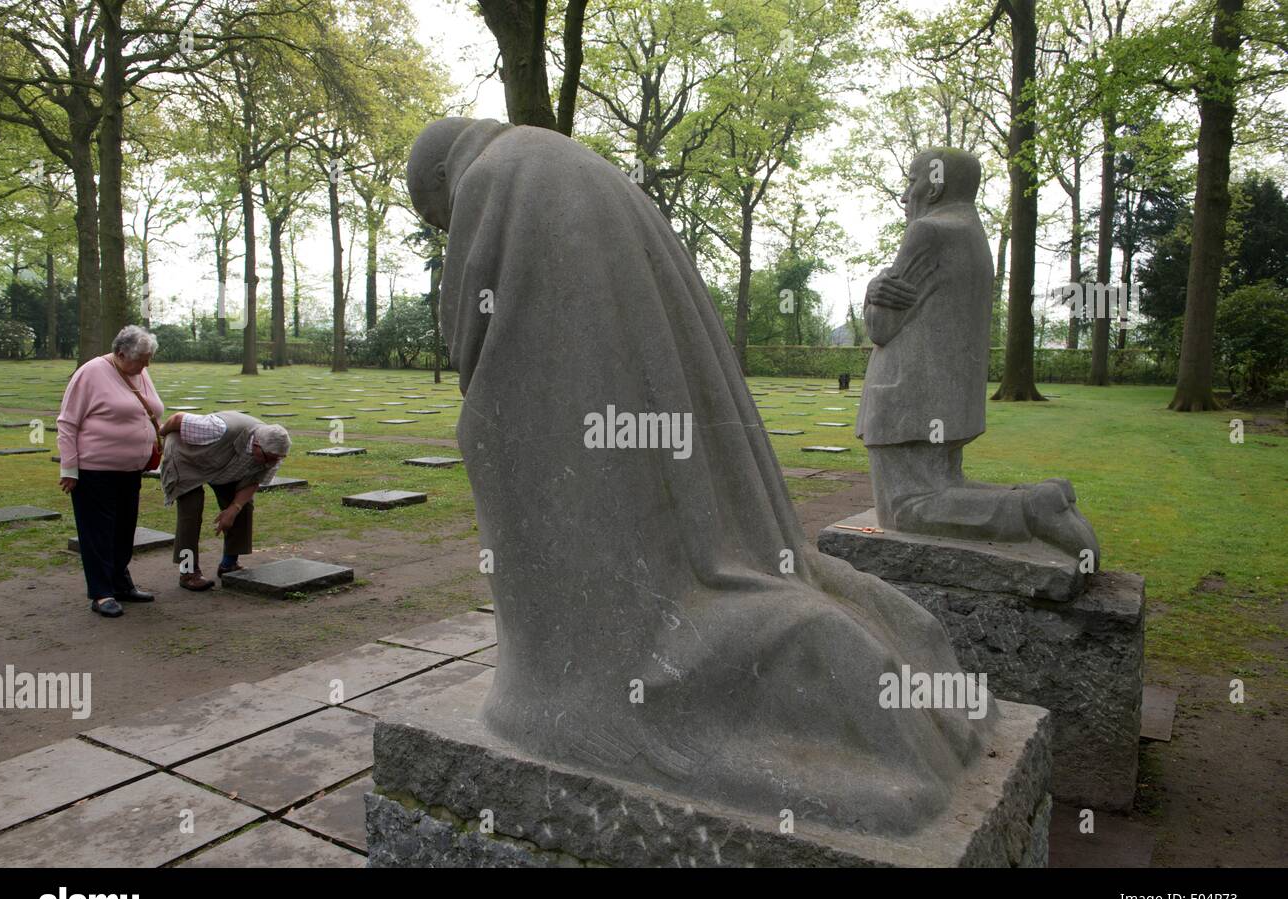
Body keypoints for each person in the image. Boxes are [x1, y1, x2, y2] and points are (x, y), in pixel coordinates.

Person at [403, 117, 993, 835]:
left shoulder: (491, 177)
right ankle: (901, 692)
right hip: (629, 412)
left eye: (440, 219)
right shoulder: (568, 162)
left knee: (642, 645)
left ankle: (601, 688)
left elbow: (470, 333)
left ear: (440, 181)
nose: (448, 228)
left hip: (596, 437)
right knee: (774, 589)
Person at [857, 147, 1099, 560]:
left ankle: (1028, 509)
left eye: (911, 180)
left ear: (933, 186)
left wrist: (873, 290)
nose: (905, 194)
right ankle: (1043, 497)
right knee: (942, 488)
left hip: (905, 402)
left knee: (904, 509)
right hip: (946, 401)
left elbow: (882, 328)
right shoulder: (973, 235)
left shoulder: (928, 232)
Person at [56, 325, 163, 618]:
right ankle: (102, 593)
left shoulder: (139, 372)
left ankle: (120, 583)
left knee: (124, 529)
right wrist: (69, 468)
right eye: (142, 358)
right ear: (119, 354)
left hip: (130, 470)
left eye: (149, 358)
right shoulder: (90, 373)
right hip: (95, 470)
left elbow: (149, 410)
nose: (147, 365)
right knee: (98, 532)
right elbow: (67, 423)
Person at [159, 411, 290, 591]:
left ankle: (229, 564)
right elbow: (176, 419)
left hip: (225, 464)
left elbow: (253, 481)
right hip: (187, 458)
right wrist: (160, 434)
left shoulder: (272, 453)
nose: (272, 463)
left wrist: (233, 509)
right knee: (191, 511)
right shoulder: (217, 428)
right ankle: (188, 572)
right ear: (256, 445)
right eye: (269, 458)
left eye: (277, 459)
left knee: (242, 507)